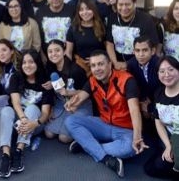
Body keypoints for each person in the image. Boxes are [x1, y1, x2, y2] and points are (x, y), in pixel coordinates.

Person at [65, 50, 148, 178]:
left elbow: (134, 110)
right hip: (103, 124)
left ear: (110, 64)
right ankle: (105, 157)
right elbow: (81, 96)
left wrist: (137, 137)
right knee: (70, 121)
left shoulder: (127, 80)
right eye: (93, 65)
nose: (97, 69)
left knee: (129, 148)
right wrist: (72, 103)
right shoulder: (92, 81)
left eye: (101, 64)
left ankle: (86, 145)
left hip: (125, 129)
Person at [0, 49, 53, 178]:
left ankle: (19, 150)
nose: (27, 65)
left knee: (32, 108)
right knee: (6, 110)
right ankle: (6, 154)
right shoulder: (16, 77)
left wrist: (35, 123)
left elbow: (45, 113)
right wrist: (22, 118)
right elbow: (15, 102)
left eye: (31, 62)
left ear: (37, 63)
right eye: (24, 63)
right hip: (18, 119)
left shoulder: (45, 83)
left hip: (35, 124)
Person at [43, 39, 91, 143]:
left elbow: (88, 91)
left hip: (80, 104)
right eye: (50, 52)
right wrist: (50, 109)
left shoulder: (76, 69)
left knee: (63, 138)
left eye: (57, 50)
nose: (53, 54)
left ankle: (84, 134)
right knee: (49, 133)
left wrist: (68, 93)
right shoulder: (51, 70)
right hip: (62, 103)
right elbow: (55, 95)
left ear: (64, 51)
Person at [144, 56, 179, 179]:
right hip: (169, 138)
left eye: (171, 70)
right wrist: (169, 146)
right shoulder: (158, 93)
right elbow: (158, 121)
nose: (167, 74)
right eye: (162, 71)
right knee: (152, 168)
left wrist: (175, 146)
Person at [106, 0, 159, 70]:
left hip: (140, 65)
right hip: (117, 65)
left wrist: (128, 64)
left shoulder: (146, 20)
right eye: (120, 4)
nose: (124, 8)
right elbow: (109, 43)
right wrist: (115, 62)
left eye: (127, 4)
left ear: (135, 3)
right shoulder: (112, 18)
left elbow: (152, 46)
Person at [65, 0, 106, 75]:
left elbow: (107, 49)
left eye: (88, 9)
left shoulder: (102, 26)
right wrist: (66, 70)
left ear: (94, 10)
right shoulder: (74, 28)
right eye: (81, 10)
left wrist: (95, 61)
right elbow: (68, 52)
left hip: (100, 66)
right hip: (79, 66)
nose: (85, 12)